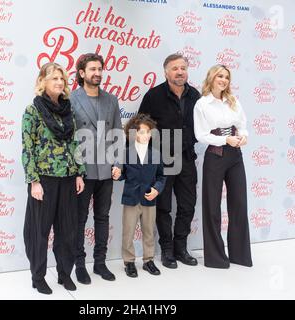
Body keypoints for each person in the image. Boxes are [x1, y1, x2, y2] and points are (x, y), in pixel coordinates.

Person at [22, 62, 86, 294]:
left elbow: (75, 143)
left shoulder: (68, 110)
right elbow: (27, 147)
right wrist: (34, 181)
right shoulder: (33, 111)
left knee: (67, 230)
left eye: (62, 78)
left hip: (68, 178)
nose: (59, 82)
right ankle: (38, 276)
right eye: (54, 78)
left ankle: (64, 273)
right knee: (39, 231)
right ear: (43, 82)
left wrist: (79, 172)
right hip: (44, 180)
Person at [138, 53, 200, 268]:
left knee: (188, 205)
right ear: (166, 72)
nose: (180, 72)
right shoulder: (154, 96)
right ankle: (166, 250)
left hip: (187, 158)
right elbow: (141, 126)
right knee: (163, 207)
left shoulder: (195, 95)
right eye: (175, 68)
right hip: (163, 159)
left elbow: (202, 125)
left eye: (183, 68)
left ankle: (180, 248)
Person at [70, 53, 123, 284]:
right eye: (92, 69)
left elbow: (118, 134)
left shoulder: (111, 100)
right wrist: (74, 170)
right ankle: (79, 265)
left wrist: (118, 163)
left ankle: (100, 263)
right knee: (79, 219)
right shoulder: (71, 99)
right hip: (82, 170)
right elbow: (68, 137)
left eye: (100, 69)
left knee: (102, 217)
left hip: (106, 170)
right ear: (82, 73)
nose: (97, 73)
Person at [193, 64, 253, 269]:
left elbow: (243, 125)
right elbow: (201, 135)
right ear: (211, 78)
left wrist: (243, 137)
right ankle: (216, 258)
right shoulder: (202, 104)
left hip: (236, 156)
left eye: (226, 77)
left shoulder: (233, 100)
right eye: (220, 76)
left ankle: (239, 255)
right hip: (216, 156)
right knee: (212, 207)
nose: (224, 80)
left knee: (239, 204)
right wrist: (226, 140)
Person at [114, 113, 166, 278]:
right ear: (133, 133)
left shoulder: (156, 154)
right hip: (131, 198)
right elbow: (123, 174)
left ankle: (148, 260)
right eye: (141, 132)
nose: (145, 136)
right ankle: (129, 262)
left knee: (149, 231)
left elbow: (161, 176)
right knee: (128, 231)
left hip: (149, 199)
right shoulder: (125, 152)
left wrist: (157, 189)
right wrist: (117, 174)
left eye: (148, 132)